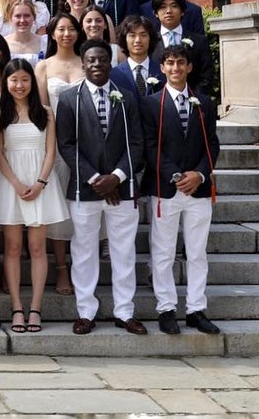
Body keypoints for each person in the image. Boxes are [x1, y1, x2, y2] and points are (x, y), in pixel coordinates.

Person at [55, 39, 146, 335]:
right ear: (83, 65)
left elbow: (136, 143)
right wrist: (96, 179)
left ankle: (125, 311)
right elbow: (66, 145)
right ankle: (86, 311)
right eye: (91, 61)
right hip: (85, 188)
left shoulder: (127, 97)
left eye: (102, 60)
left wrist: (117, 177)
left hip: (123, 188)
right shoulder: (70, 98)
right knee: (84, 250)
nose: (96, 65)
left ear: (110, 63)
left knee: (123, 251)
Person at [141, 45, 222, 336]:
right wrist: (175, 175)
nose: (175, 68)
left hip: (198, 189)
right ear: (162, 68)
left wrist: (199, 174)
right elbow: (151, 146)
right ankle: (166, 309)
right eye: (170, 63)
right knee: (163, 252)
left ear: (189, 67)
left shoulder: (204, 102)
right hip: (166, 188)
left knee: (197, 251)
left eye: (180, 63)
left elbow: (212, 144)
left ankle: (196, 310)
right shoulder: (151, 103)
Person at [0, 59, 68, 334]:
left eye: (25, 80)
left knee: (37, 248)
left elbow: (51, 151)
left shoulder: (46, 113)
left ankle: (35, 308)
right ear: (6, 83)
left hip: (41, 184)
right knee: (12, 248)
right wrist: (15, 183)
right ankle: (16, 307)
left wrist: (40, 182)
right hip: (10, 183)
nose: (19, 85)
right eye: (14, 80)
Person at [35, 12, 86, 297]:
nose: (66, 34)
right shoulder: (43, 67)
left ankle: (83, 265)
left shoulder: (85, 61)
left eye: (71, 29)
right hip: (56, 141)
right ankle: (61, 267)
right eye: (60, 29)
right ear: (52, 34)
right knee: (58, 211)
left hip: (86, 141)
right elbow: (42, 111)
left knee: (82, 209)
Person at [148, 0, 215, 92]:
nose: (169, 11)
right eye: (163, 7)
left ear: (182, 11)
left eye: (174, 6)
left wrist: (192, 99)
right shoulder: (149, 42)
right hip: (158, 103)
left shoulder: (199, 41)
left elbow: (206, 76)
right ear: (156, 13)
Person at [109, 15, 164, 101]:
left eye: (143, 35)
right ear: (124, 39)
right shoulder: (114, 74)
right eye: (132, 35)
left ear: (150, 38)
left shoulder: (162, 71)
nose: (138, 40)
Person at [5, 0, 46, 65]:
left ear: (34, 18)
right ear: (11, 18)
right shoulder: (4, 44)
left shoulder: (44, 43)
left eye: (27, 16)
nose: (22, 20)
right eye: (18, 16)